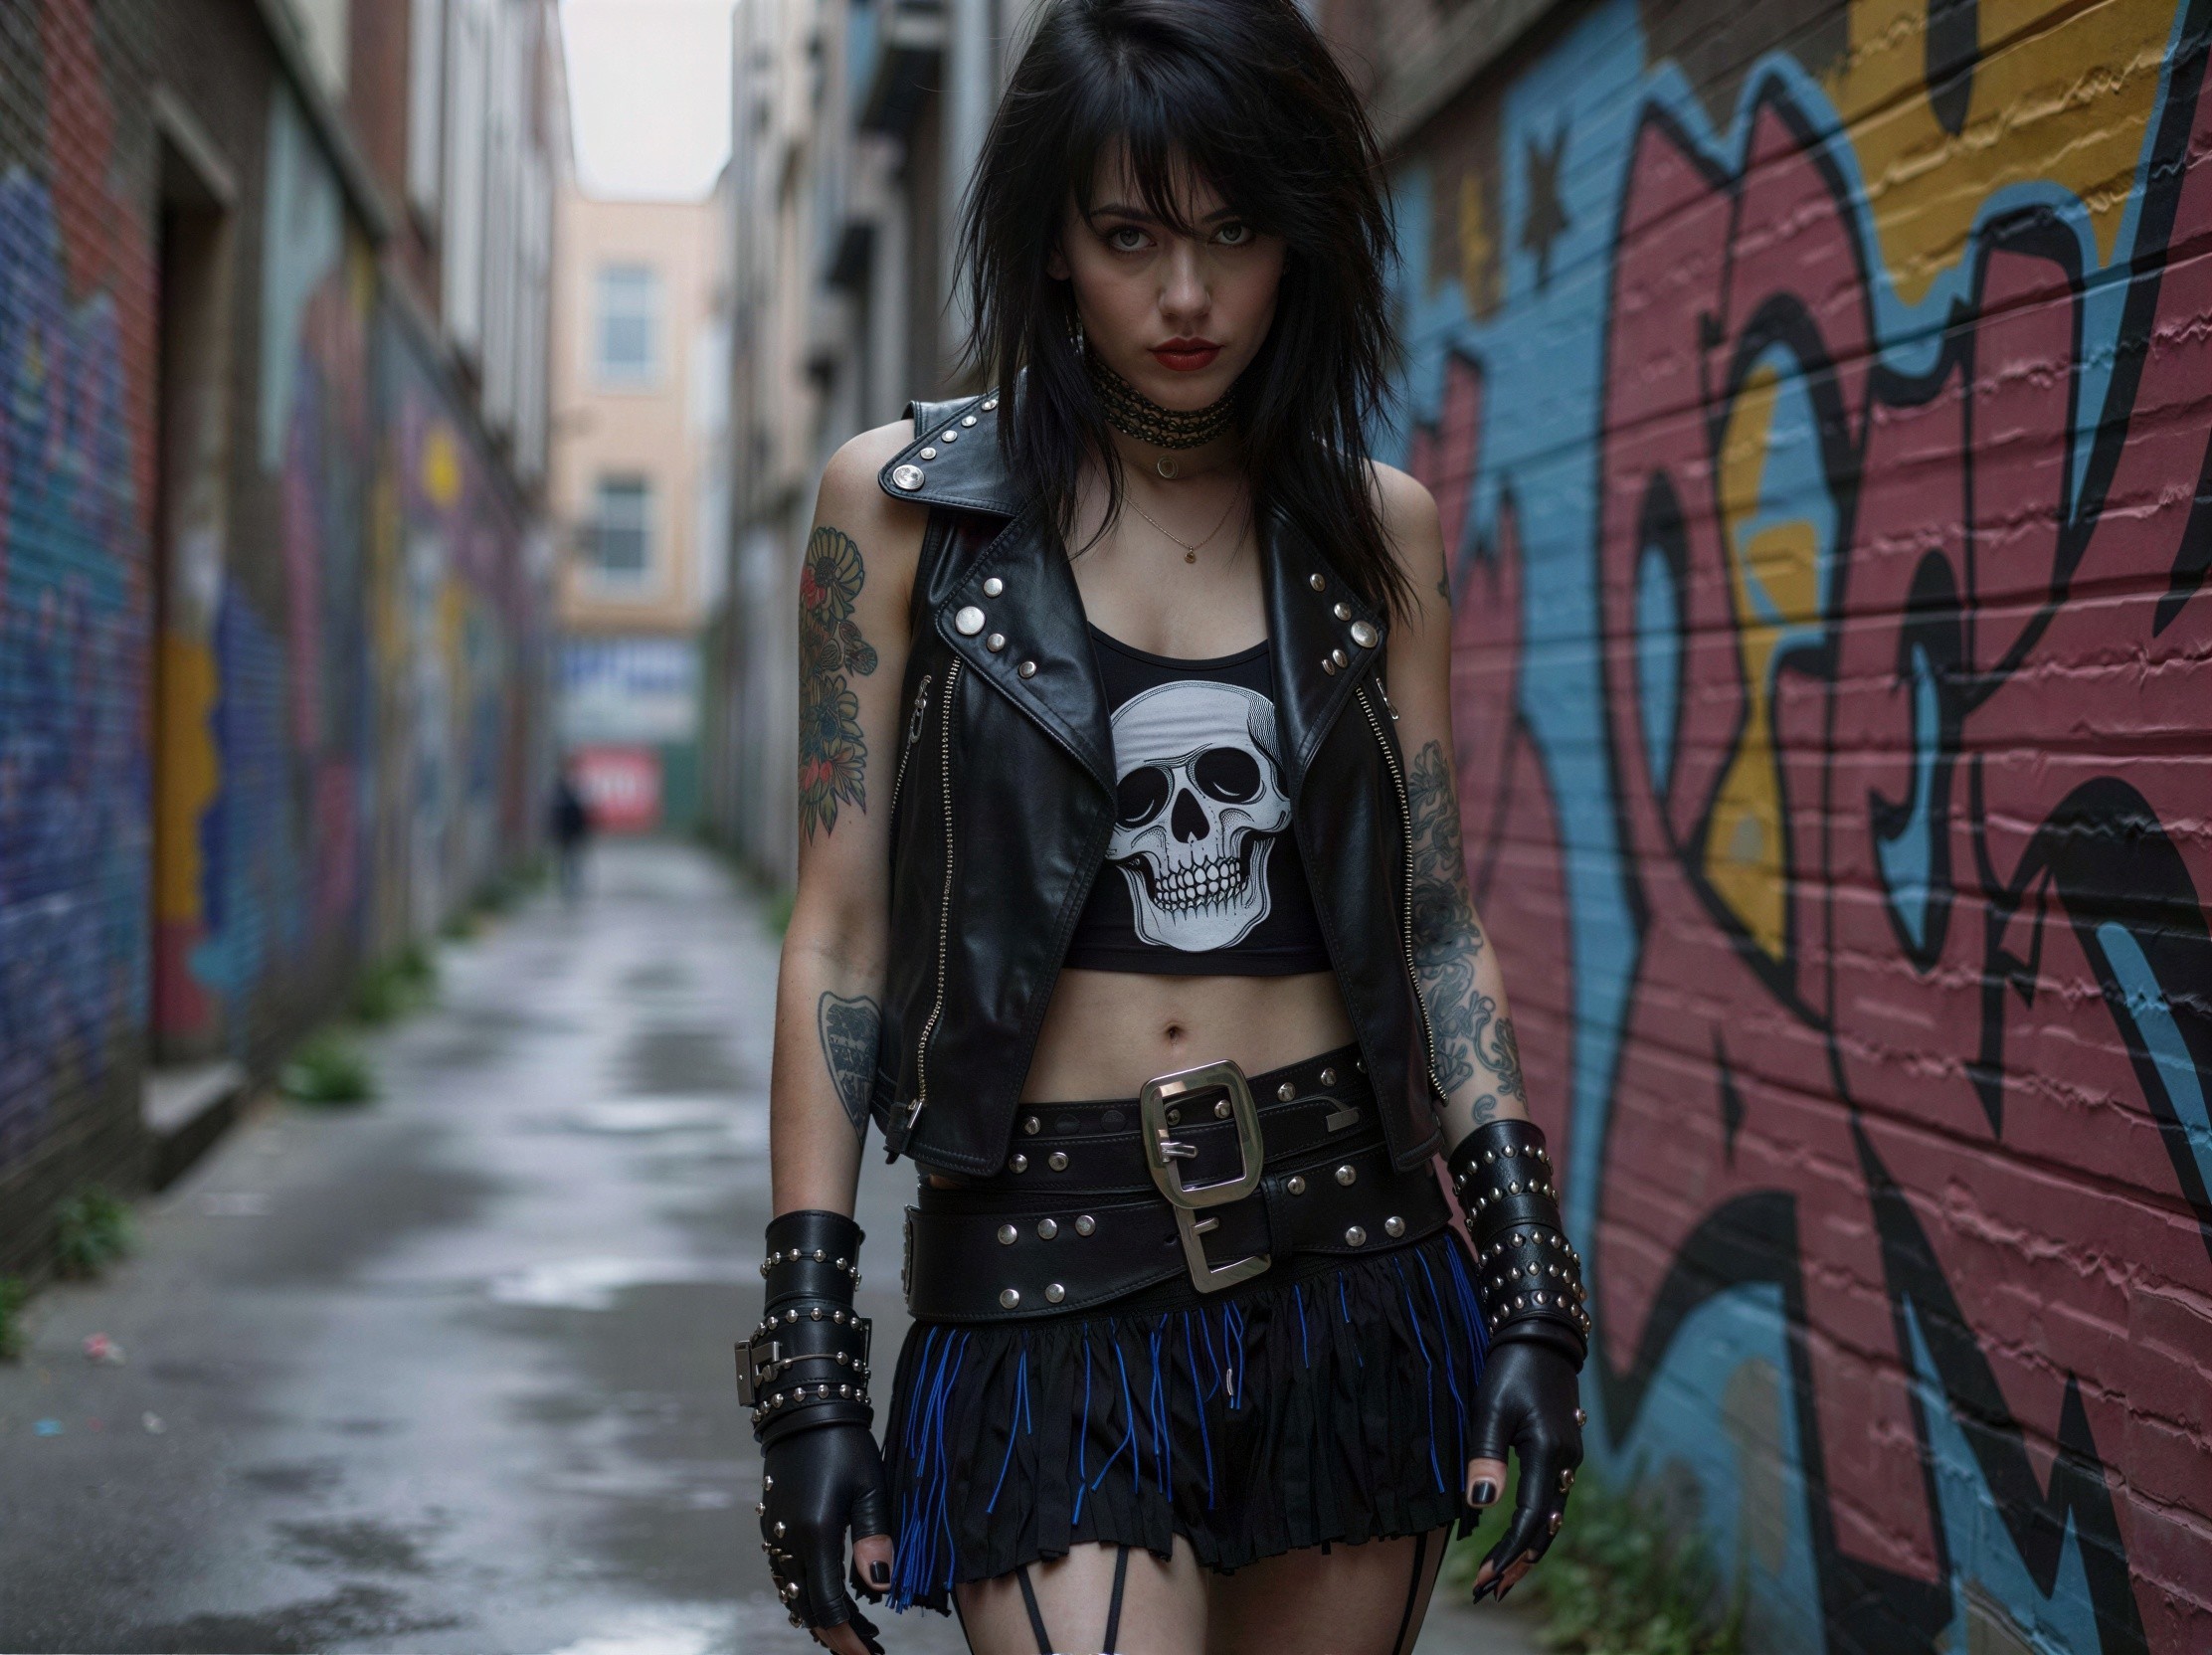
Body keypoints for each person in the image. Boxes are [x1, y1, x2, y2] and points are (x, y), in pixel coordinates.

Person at [743, 2, 1588, 1649]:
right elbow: (837, 934)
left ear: (1301, 244)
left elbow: (1432, 920)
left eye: (1231, 232)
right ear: (1051, 242)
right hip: (1043, 1276)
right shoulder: (900, 510)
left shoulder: (1375, 533)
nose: (1185, 296)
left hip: (1353, 1254)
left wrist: (1531, 1291)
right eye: (1127, 235)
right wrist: (808, 1368)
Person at [550, 765, 591, 902]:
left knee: (571, 862)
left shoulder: (573, 798)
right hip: (567, 835)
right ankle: (567, 885)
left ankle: (570, 885)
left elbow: (583, 820)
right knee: (567, 862)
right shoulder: (564, 797)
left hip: (572, 835)